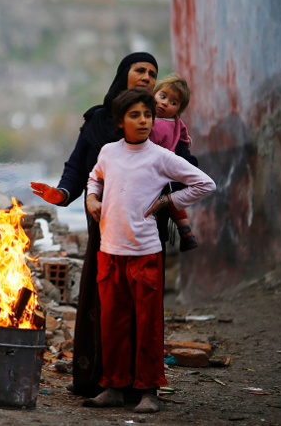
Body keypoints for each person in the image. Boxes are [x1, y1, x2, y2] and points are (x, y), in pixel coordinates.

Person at [29, 52, 198, 397]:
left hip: (147, 231)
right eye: (140, 70)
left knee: (144, 307)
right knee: (101, 303)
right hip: (103, 228)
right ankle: (99, 380)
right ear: (125, 74)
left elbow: (187, 173)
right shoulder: (97, 122)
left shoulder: (161, 131)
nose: (148, 77)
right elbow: (79, 169)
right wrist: (63, 194)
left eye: (153, 73)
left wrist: (167, 194)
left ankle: (143, 386)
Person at [82, 88, 215, 413]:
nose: (143, 121)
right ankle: (113, 386)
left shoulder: (161, 156)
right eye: (134, 115)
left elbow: (204, 184)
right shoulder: (109, 152)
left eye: (147, 115)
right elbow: (93, 178)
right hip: (110, 251)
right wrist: (92, 198)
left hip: (144, 252)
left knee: (147, 325)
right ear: (119, 122)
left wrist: (169, 201)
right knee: (112, 322)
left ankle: (148, 391)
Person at [150, 73, 198, 251]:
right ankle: (186, 232)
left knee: (170, 199)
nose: (164, 103)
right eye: (162, 96)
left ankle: (185, 232)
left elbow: (184, 141)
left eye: (173, 102)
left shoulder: (168, 124)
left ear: (178, 111)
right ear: (153, 94)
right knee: (172, 201)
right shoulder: (144, 116)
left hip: (164, 172)